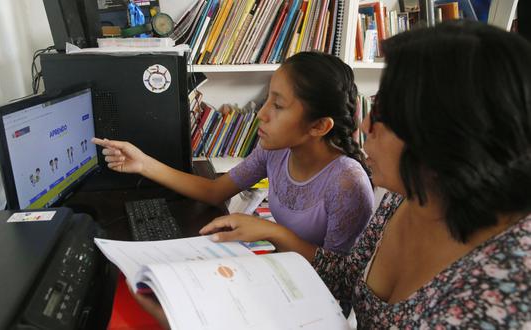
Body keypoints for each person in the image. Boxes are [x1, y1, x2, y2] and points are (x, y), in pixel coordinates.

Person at [198, 21, 531, 328]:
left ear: (446, 137)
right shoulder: (403, 200)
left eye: (385, 116)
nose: (365, 126)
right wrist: (271, 233)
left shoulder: (504, 288)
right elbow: (347, 276)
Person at [93, 51, 374, 254]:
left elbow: (339, 278)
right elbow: (215, 191)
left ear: (319, 126)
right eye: (267, 100)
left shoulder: (347, 184)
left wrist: (271, 231)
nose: (261, 114)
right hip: (283, 273)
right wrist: (142, 164)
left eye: (277, 105)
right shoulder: (276, 153)